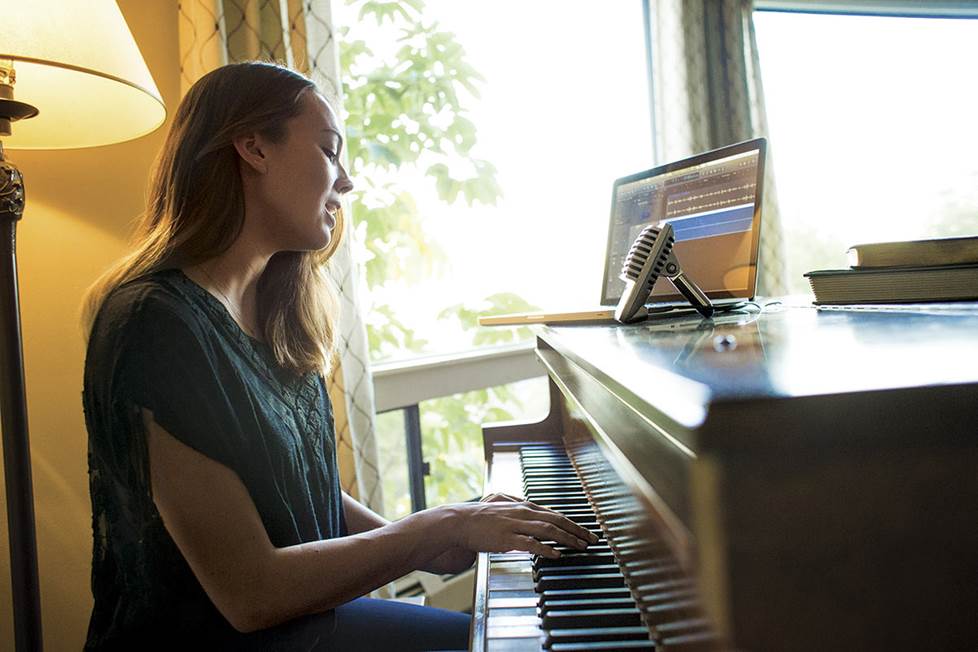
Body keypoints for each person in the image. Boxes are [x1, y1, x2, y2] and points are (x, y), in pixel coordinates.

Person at [80, 61, 596, 651]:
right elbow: (250, 594)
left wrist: (440, 540)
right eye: (329, 150)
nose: (345, 181)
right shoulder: (155, 322)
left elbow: (294, 482)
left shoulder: (265, 310)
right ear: (253, 148)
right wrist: (437, 529)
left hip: (305, 624)